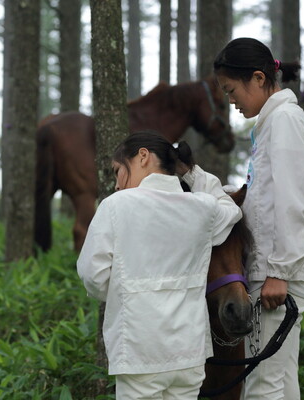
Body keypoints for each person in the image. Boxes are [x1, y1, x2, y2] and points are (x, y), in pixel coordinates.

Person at [76, 131, 242, 399]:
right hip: (189, 354)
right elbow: (231, 209)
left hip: (140, 349)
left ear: (142, 156)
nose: (117, 184)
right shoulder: (202, 207)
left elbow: (92, 275)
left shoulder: (115, 206)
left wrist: (125, 292)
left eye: (118, 170)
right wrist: (194, 175)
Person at [213, 37, 304, 400]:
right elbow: (262, 197)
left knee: (261, 386)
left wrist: (280, 271)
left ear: (259, 78)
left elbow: (294, 201)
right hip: (274, 271)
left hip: (275, 276)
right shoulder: (273, 123)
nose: (231, 100)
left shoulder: (285, 120)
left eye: (231, 89)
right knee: (282, 384)